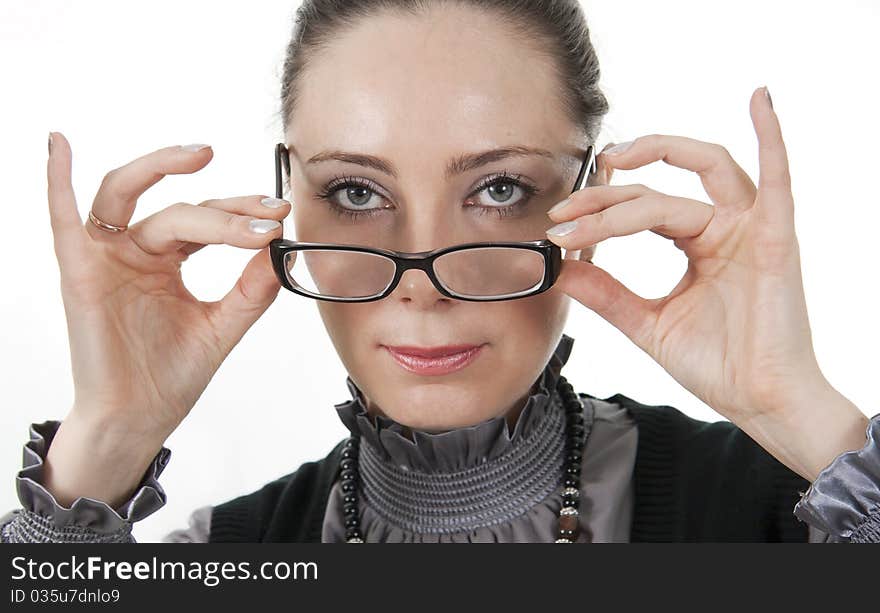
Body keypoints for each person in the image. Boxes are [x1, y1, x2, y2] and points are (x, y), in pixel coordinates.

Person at [2, 0, 879, 544]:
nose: (417, 282)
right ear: (290, 201)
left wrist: (801, 414)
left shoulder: (799, 516)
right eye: (354, 190)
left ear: (591, 194)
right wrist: (105, 442)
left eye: (498, 188)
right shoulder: (226, 551)